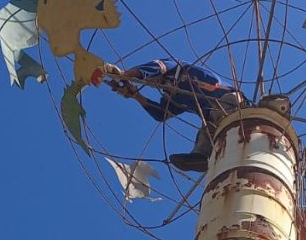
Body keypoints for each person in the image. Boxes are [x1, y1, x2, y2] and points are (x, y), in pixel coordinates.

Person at [104, 58, 246, 173]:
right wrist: (136, 95)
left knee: (218, 119)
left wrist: (125, 75)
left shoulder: (178, 69)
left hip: (228, 100)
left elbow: (157, 67)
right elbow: (161, 114)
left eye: (154, 80)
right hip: (212, 115)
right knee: (207, 131)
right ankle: (200, 158)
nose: (152, 83)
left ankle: (207, 153)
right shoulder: (174, 95)